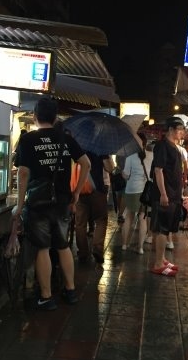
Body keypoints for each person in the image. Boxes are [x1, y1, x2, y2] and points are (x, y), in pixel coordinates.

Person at [14, 98, 90, 311]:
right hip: (62, 201)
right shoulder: (65, 138)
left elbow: (23, 173)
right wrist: (75, 193)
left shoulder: (28, 140)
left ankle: (47, 296)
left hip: (38, 202)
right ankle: (70, 289)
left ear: (35, 116)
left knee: (43, 248)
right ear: (55, 117)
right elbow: (86, 163)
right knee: (63, 246)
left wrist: (19, 205)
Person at [150, 117, 186, 276]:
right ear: (170, 129)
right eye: (180, 129)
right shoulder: (162, 146)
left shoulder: (174, 146)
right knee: (162, 229)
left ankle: (162, 258)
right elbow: (158, 170)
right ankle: (158, 263)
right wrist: (163, 194)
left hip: (174, 194)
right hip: (166, 195)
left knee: (164, 229)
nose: (182, 132)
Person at [75, 151, 115, 265]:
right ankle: (97, 249)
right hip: (97, 189)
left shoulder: (78, 145)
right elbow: (109, 168)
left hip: (80, 188)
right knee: (101, 220)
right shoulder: (100, 147)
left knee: (80, 223)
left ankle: (82, 252)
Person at [121, 132, 152, 254]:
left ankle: (124, 245)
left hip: (132, 190)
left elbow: (126, 175)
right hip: (145, 191)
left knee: (129, 216)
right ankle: (140, 248)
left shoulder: (130, 157)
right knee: (142, 218)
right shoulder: (151, 156)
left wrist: (122, 173)